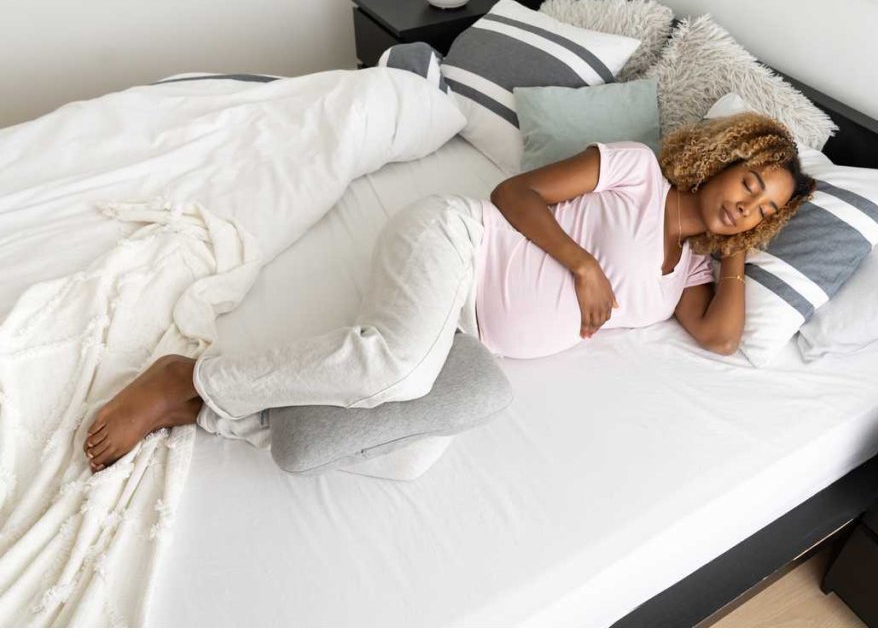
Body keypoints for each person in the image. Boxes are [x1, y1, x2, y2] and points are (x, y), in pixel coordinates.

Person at [82, 111, 816, 472]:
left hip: (469, 336)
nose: (746, 206)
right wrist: (583, 266)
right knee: (394, 370)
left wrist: (736, 253)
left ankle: (218, 411)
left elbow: (721, 337)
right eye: (749, 183)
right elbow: (514, 193)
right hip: (458, 243)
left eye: (765, 209)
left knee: (339, 448)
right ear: (724, 160)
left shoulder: (693, 271)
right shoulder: (636, 172)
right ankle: (188, 378)